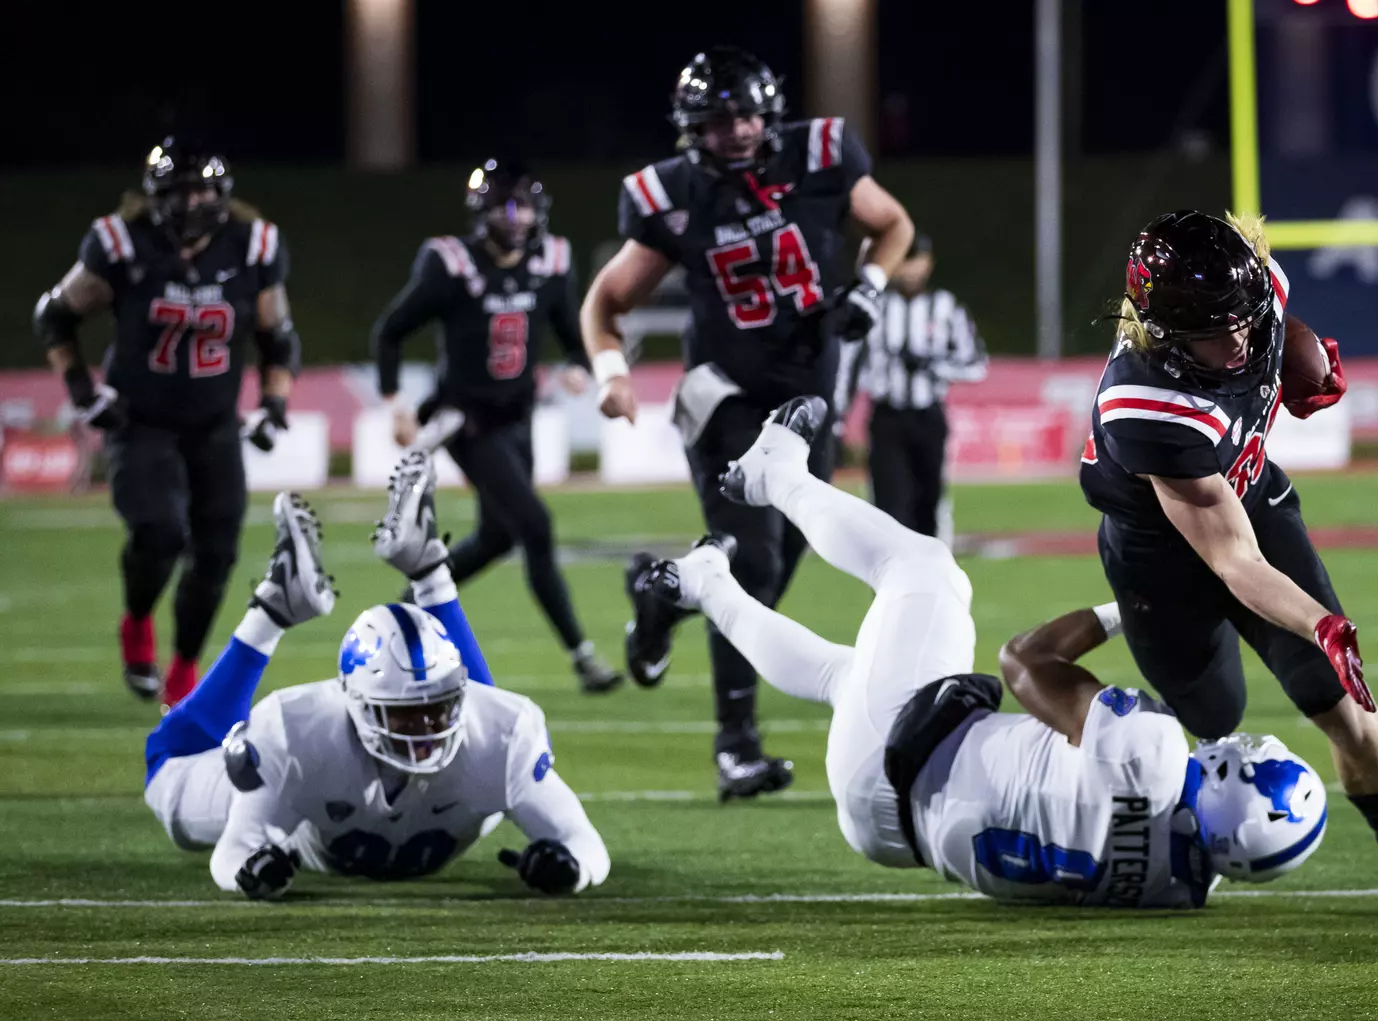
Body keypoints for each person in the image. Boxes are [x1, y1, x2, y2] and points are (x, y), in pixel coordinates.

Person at [629, 396, 1330, 904]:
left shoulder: (1152, 753)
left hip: (908, 758)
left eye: (1250, 766)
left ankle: (774, 474)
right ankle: (702, 583)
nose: (1246, 749)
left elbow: (1022, 661)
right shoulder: (1179, 889)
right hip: (896, 835)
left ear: (1231, 793)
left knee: (927, 572)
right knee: (846, 678)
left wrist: (1135, 608)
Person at [1078, 210, 1378, 920]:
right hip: (1166, 563)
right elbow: (1232, 562)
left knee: (1344, 703)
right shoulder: (1146, 404)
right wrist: (1322, 622)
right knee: (1213, 721)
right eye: (1214, 330)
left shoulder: (1261, 291)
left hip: (1255, 505)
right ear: (1162, 331)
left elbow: (1274, 335)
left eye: (1245, 319)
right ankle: (1198, 835)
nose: (1240, 339)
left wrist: (1302, 365)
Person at [581, 47, 915, 800]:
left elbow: (893, 224)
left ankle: (661, 597)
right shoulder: (672, 195)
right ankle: (736, 744)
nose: (733, 130)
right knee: (751, 565)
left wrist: (869, 284)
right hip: (723, 397)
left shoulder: (821, 156)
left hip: (806, 405)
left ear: (769, 112)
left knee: (766, 578)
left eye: (743, 115)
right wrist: (611, 376)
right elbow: (605, 301)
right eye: (715, 119)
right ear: (690, 129)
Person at [141, 456, 610, 899]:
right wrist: (251, 873)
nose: (429, 731)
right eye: (409, 716)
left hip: (446, 794)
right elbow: (232, 853)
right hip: (303, 824)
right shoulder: (297, 734)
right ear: (359, 707)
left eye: (439, 710)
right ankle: (271, 613)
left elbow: (586, 845)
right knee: (168, 778)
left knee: (481, 719)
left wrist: (569, 870)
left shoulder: (500, 733)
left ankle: (429, 572)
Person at [33, 137, 300, 708]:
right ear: (156, 195)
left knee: (218, 551)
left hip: (213, 423)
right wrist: (84, 391)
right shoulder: (122, 245)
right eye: (181, 190)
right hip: (141, 419)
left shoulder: (252, 246)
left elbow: (277, 339)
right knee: (158, 533)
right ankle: (136, 623)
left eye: (203, 189)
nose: (192, 202)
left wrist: (275, 405)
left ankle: (182, 670)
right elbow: (54, 316)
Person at [372, 160, 621, 695]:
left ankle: (405, 608)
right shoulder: (451, 263)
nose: (515, 217)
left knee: (496, 536)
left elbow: (572, 329)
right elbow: (390, 331)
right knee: (536, 525)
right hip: (465, 418)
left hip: (518, 416)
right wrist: (395, 403)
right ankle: (582, 656)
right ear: (481, 213)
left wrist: (581, 365)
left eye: (524, 205)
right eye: (504, 206)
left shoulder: (552, 260)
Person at [840, 233, 987, 537]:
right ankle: (889, 582)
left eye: (914, 260)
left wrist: (932, 365)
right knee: (888, 509)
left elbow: (975, 364)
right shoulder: (874, 306)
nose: (908, 269)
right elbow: (850, 365)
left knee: (930, 506)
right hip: (886, 416)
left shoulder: (946, 307)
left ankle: (932, 580)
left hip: (928, 416)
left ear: (928, 263)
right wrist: (838, 417)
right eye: (902, 260)